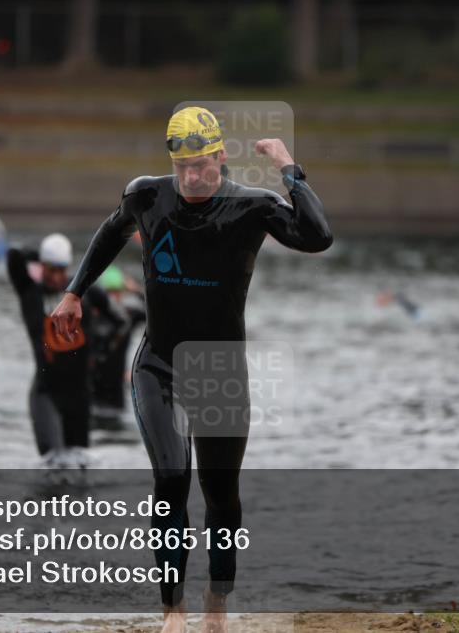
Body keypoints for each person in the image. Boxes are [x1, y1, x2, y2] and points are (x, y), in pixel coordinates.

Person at [51, 107, 332, 633]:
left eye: (201, 165)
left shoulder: (253, 207)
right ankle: (172, 611)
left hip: (220, 371)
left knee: (221, 494)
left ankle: (217, 601)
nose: (191, 178)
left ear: (220, 157)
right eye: (182, 167)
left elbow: (317, 236)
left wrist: (287, 167)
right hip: (158, 364)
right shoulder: (146, 195)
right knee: (171, 479)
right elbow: (111, 232)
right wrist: (74, 292)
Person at [6, 234, 125, 467]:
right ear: (42, 266)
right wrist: (41, 252)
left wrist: (101, 353)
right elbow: (14, 255)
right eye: (50, 269)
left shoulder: (85, 292)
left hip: (79, 395)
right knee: (55, 461)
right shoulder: (30, 292)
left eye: (61, 269)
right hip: (46, 393)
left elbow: (120, 321)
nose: (56, 276)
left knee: (80, 464)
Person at [89, 266, 146, 429]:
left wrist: (137, 290)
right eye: (109, 292)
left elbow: (156, 310)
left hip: (116, 389)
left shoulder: (128, 315)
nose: (113, 297)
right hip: (92, 388)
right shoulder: (90, 316)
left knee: (116, 426)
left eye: (117, 292)